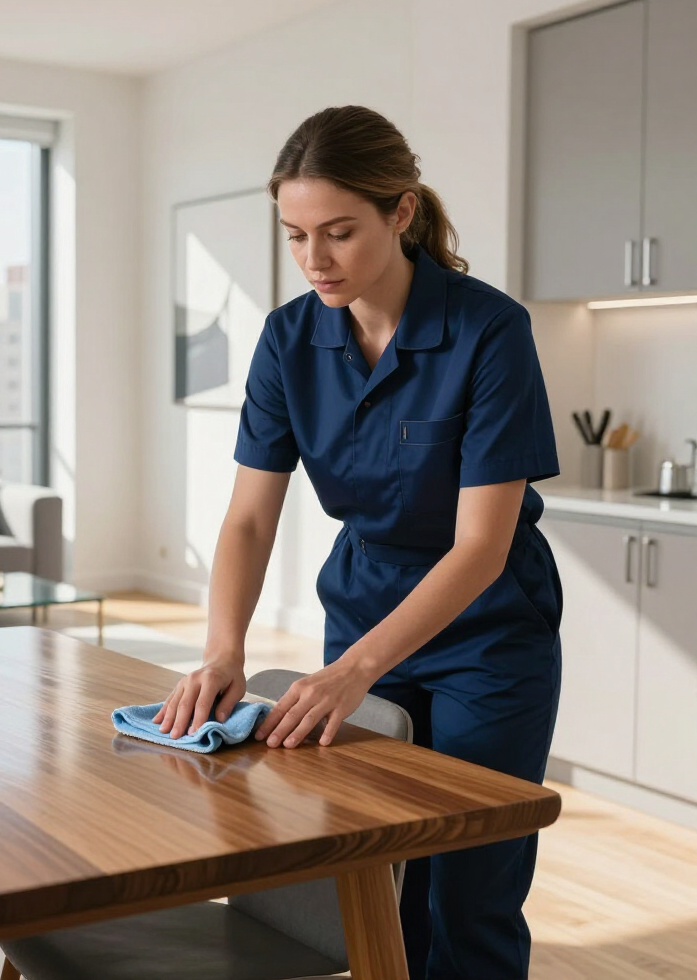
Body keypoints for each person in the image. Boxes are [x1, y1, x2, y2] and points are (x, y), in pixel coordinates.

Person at [153, 105, 562, 980]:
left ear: (401, 213)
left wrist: (352, 671)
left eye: (338, 233)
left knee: (470, 884)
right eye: (296, 235)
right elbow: (250, 517)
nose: (315, 260)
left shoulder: (489, 331)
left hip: (488, 626)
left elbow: (480, 547)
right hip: (367, 599)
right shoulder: (288, 338)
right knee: (370, 868)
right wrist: (224, 650)